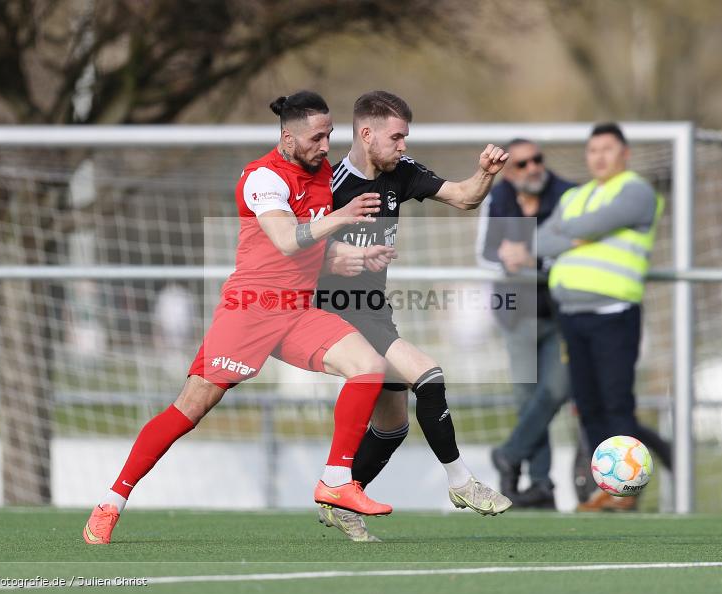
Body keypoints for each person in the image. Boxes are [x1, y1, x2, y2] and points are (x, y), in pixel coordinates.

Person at [83, 91, 400, 544]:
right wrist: (344, 218)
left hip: (296, 310)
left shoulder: (324, 172)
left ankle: (335, 480)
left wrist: (349, 254)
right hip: (250, 311)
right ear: (287, 137)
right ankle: (111, 502)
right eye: (316, 137)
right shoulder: (262, 178)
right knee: (189, 410)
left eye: (329, 135)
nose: (325, 145)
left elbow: (308, 250)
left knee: (369, 366)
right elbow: (287, 240)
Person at [314, 90, 512, 542]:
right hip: (336, 312)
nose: (404, 145)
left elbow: (463, 198)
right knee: (428, 373)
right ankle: (461, 481)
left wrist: (484, 174)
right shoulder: (330, 183)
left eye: (406, 136)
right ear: (366, 134)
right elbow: (292, 244)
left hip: (373, 311)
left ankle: (340, 496)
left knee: (392, 426)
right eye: (396, 136)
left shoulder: (401, 173)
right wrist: (337, 255)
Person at [537, 122, 672, 512]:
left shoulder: (636, 191)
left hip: (614, 312)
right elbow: (540, 240)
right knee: (588, 405)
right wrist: (576, 234)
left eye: (607, 149)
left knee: (616, 402)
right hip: (572, 315)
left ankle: (626, 493)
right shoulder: (577, 195)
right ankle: (608, 488)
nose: (599, 157)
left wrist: (573, 230)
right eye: (592, 150)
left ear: (624, 153)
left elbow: (590, 225)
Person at [477, 139, 574, 509]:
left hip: (560, 311)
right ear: (510, 171)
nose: (532, 167)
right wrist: (505, 260)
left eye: (537, 159)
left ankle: (509, 453)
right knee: (526, 397)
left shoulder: (568, 195)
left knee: (555, 391)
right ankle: (540, 485)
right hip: (514, 312)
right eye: (521, 164)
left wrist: (532, 255)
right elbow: (484, 253)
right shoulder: (496, 199)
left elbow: (578, 244)